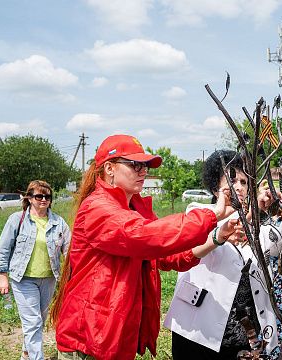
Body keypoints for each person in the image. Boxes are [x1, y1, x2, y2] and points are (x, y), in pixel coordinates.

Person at [48, 134, 233, 360]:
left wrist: (217, 237)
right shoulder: (97, 208)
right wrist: (210, 213)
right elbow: (145, 236)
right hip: (89, 338)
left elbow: (167, 255)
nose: (143, 171)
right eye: (135, 165)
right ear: (109, 168)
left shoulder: (136, 209)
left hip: (114, 335)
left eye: (145, 165)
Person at [164, 149, 282, 359]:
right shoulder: (197, 213)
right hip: (198, 330)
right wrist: (250, 213)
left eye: (244, 182)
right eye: (231, 180)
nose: (238, 187)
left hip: (244, 332)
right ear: (215, 187)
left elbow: (279, 245)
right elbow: (211, 233)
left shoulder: (258, 224)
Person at [0, 180, 71, 360]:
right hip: (23, 279)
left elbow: (69, 251)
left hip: (49, 278)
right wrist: (2, 276)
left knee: (38, 323)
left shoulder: (59, 223)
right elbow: (4, 248)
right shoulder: (17, 219)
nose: (43, 200)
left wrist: (73, 274)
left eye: (47, 196)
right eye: (39, 196)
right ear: (29, 198)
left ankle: (26, 355)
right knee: (33, 322)